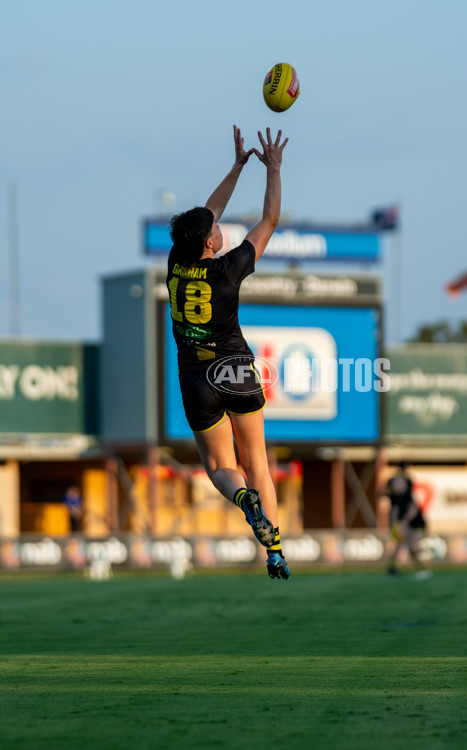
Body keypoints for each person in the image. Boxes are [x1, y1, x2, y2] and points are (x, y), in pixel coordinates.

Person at [167, 125, 289, 580]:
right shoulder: (229, 269)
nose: (219, 225)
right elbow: (270, 219)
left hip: (196, 378)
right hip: (235, 368)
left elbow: (206, 212)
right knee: (257, 460)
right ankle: (274, 549)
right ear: (210, 242)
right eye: (215, 228)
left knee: (221, 466)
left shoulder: (176, 262)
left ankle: (242, 501)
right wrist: (271, 169)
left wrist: (236, 166)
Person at [382, 462, 431, 578]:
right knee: (401, 545)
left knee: (411, 545)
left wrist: (403, 522)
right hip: (407, 525)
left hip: (417, 525)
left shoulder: (407, 499)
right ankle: (394, 567)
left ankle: (422, 569)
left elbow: (413, 512)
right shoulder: (396, 500)